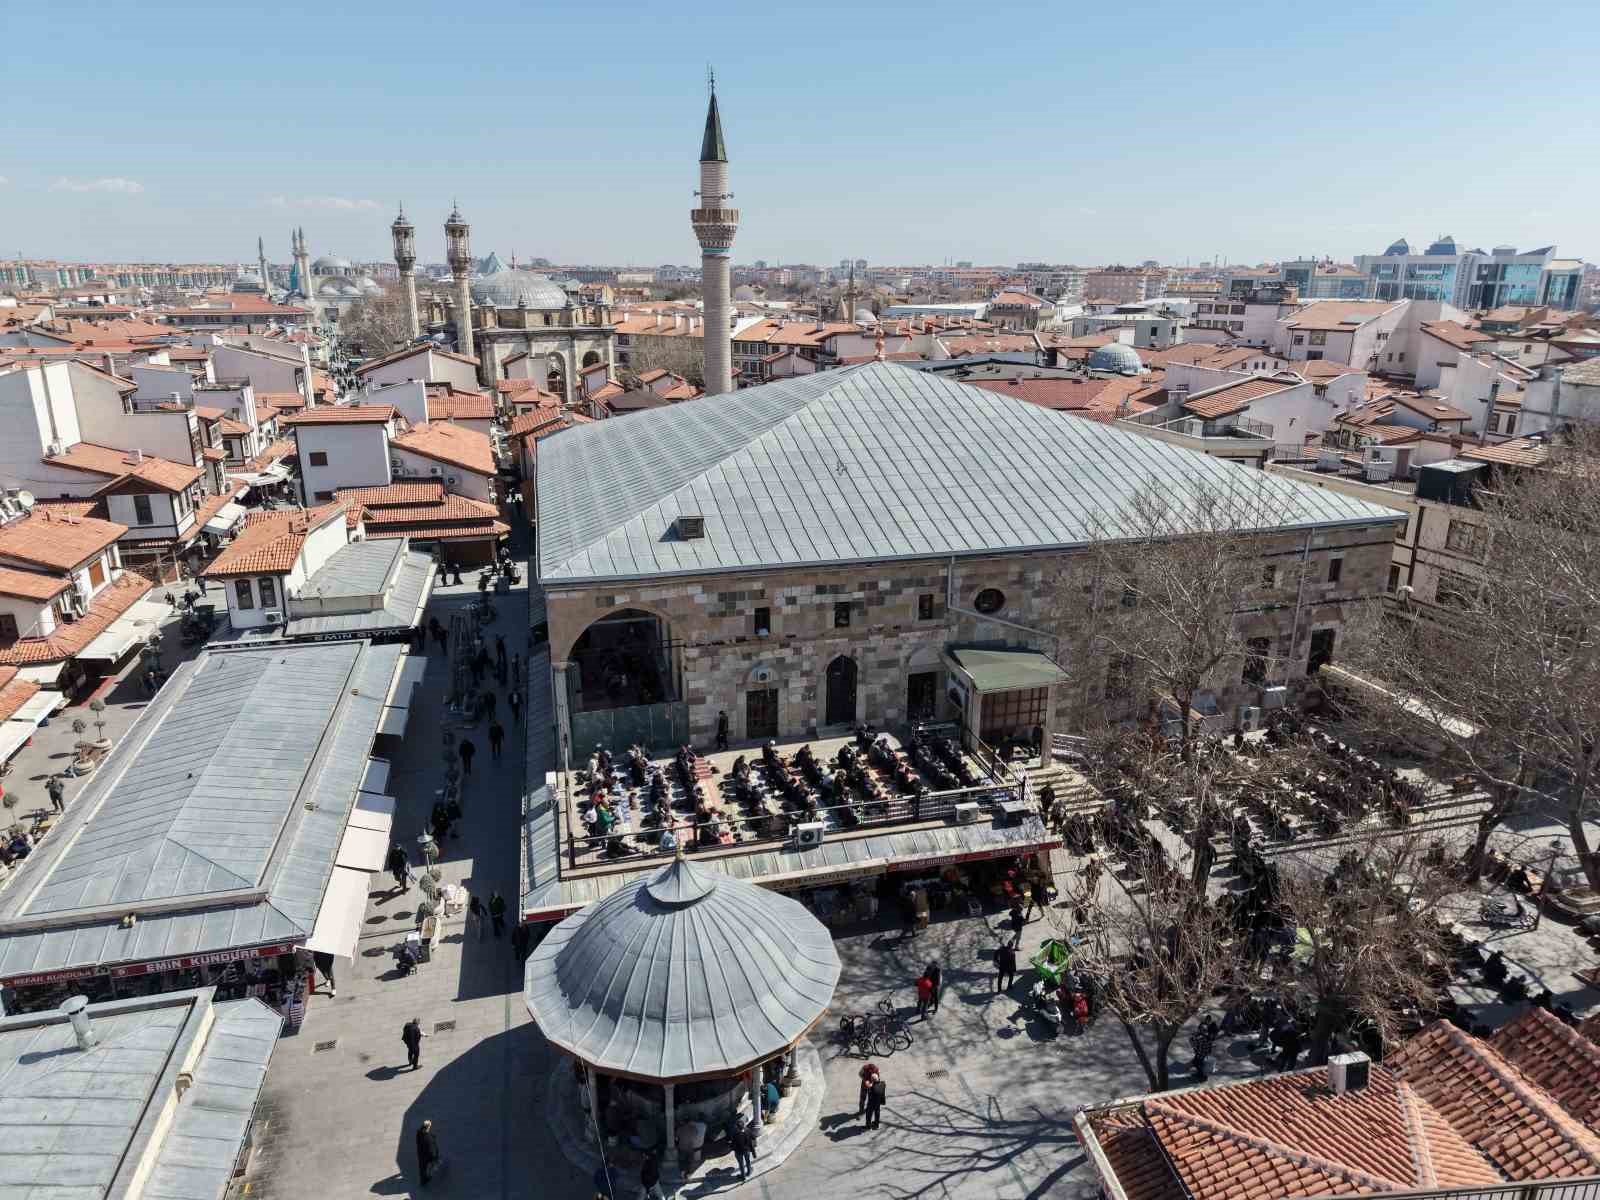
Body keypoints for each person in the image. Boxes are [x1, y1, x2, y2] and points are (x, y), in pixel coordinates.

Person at [1191, 1015, 1219, 1079]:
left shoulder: (1203, 1038)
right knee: (1196, 1063)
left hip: (1201, 1053)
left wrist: (1194, 1042)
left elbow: (1196, 1043)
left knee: (1198, 1063)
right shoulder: (1205, 1036)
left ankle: (1202, 1076)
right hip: (1201, 1052)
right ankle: (1199, 1074)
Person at [415, 1118, 441, 1184]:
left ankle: (423, 1180)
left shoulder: (419, 1132)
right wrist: (435, 1158)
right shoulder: (429, 1138)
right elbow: (431, 1150)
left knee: (422, 1168)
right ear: (428, 1127)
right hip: (427, 1156)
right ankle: (429, 1174)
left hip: (420, 1154)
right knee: (432, 1164)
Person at [732, 1116, 756, 1182]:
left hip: (738, 1152)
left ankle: (743, 1176)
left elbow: (733, 1144)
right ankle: (749, 1172)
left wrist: (732, 1147)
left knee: (741, 1164)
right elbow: (753, 1137)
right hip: (747, 1150)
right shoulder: (747, 1130)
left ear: (737, 1127)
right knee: (748, 1161)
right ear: (743, 1126)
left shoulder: (735, 1134)